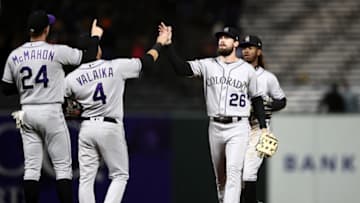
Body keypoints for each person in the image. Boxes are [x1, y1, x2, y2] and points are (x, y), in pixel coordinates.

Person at [0, 10, 103, 203]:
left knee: (31, 168)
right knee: (63, 168)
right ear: (46, 30)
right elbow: (89, 57)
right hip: (50, 110)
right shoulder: (56, 51)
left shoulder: (15, 55)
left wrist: (28, 88)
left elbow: (5, 88)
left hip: (26, 111)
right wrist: (95, 36)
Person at [64, 23, 171, 203]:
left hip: (87, 126)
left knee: (86, 178)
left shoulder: (71, 78)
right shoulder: (115, 66)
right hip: (109, 126)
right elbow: (146, 62)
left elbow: (61, 105)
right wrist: (159, 43)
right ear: (96, 50)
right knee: (120, 175)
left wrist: (76, 109)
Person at [160, 24, 268, 203]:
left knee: (234, 173)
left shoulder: (248, 70)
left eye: (226, 37)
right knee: (221, 180)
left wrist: (263, 128)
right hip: (215, 127)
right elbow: (181, 69)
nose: (222, 40)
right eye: (220, 37)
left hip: (239, 126)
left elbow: (257, 100)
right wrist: (169, 45)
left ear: (235, 43)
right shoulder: (208, 64)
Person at [239, 35, 287, 203]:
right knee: (236, 175)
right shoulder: (235, 75)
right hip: (238, 127)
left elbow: (282, 100)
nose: (246, 50)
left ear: (258, 51)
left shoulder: (268, 77)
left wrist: (267, 106)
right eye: (244, 47)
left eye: (250, 47)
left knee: (249, 172)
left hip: (259, 128)